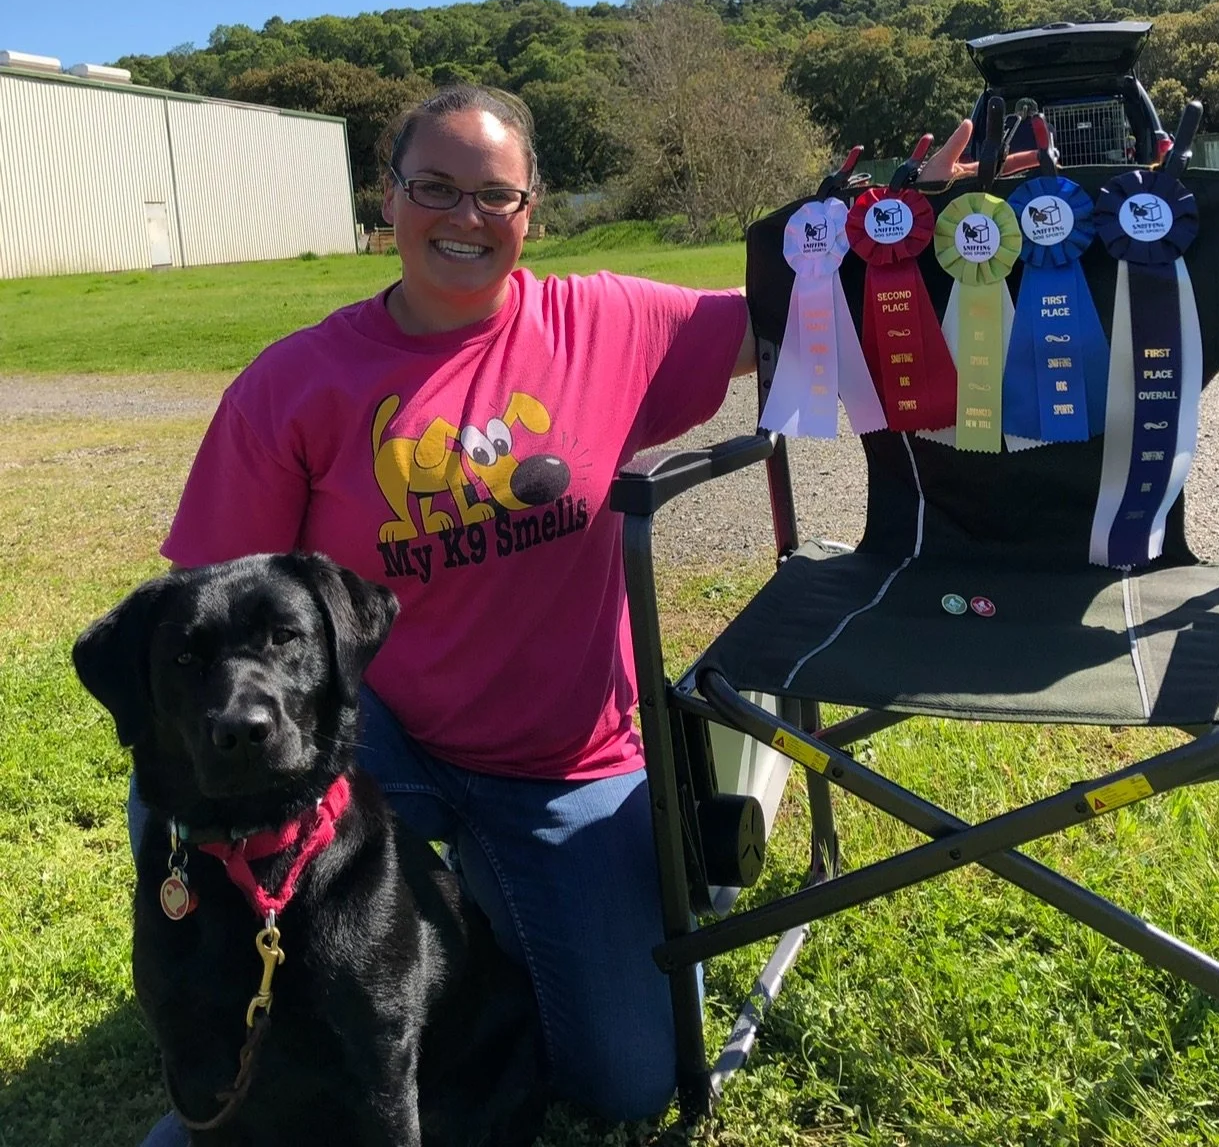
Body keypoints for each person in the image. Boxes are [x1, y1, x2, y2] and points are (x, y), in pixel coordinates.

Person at [124, 86, 1019, 1145]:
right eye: (435, 188)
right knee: (176, 792)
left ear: (530, 209)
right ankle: (228, 988)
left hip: (563, 756)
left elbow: (798, 311)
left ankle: (489, 903)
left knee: (625, 1077)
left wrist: (901, 231)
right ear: (388, 196)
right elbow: (209, 610)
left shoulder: (609, 322)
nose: (465, 217)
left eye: (494, 195)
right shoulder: (297, 381)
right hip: (378, 743)